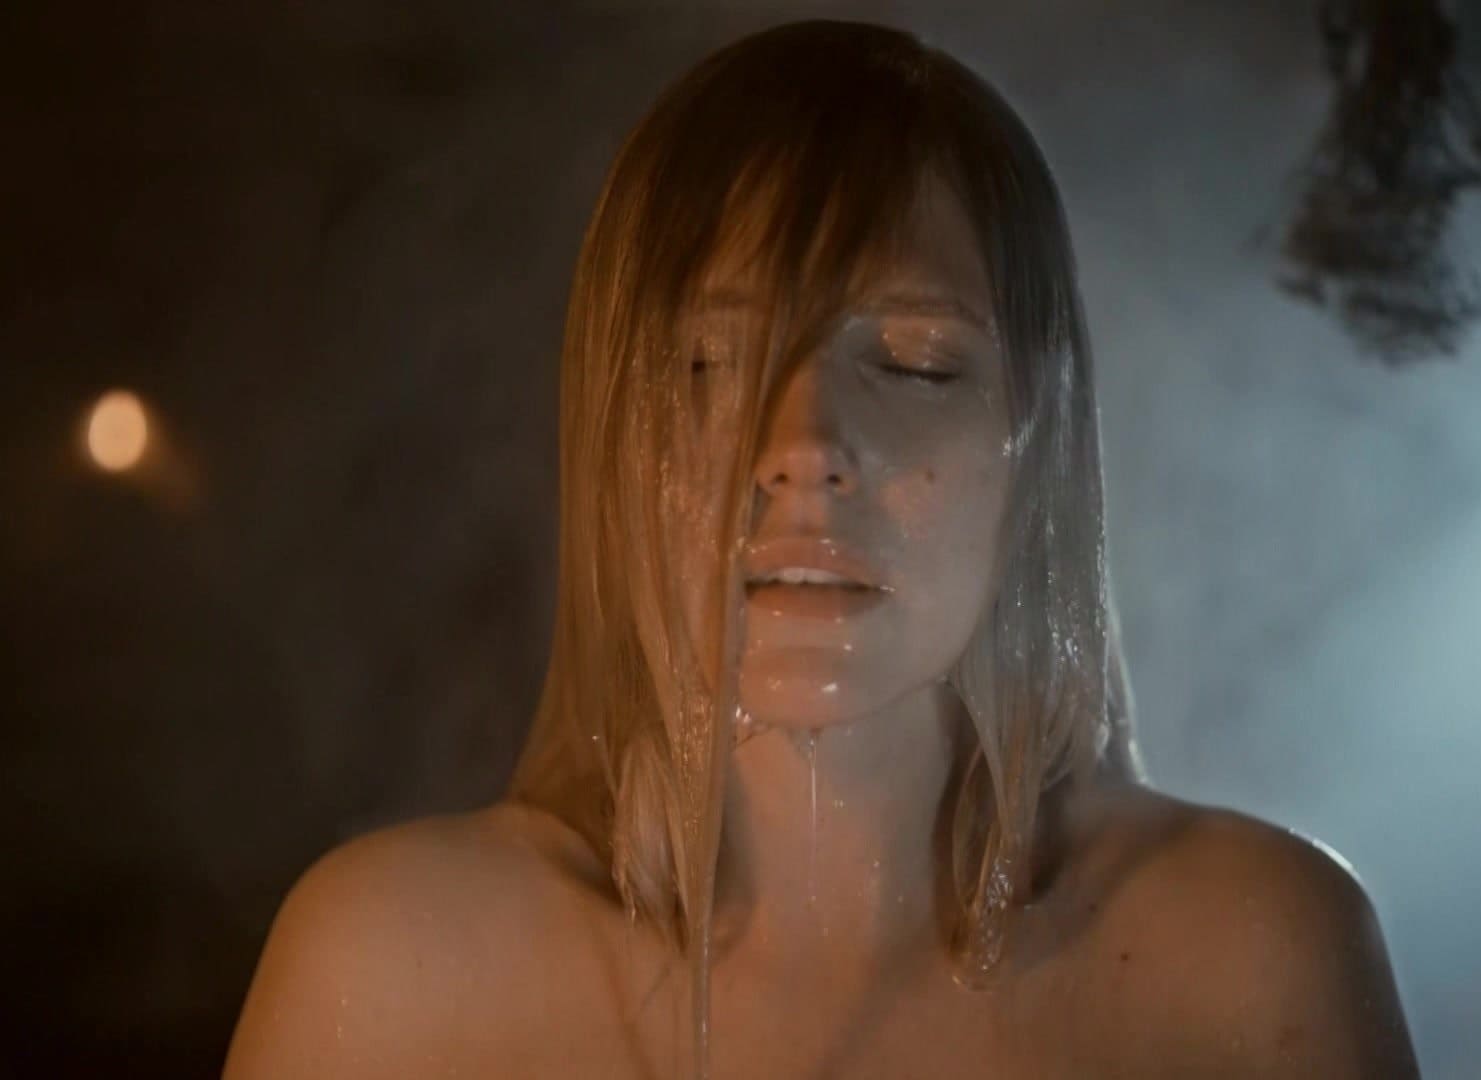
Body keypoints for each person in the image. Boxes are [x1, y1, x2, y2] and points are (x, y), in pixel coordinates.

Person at [223, 19, 1420, 1079]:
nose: (800, 446)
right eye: (708, 364)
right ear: (608, 438)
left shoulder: (1243, 961)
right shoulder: (397, 975)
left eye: (912, 362)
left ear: (1037, 448)